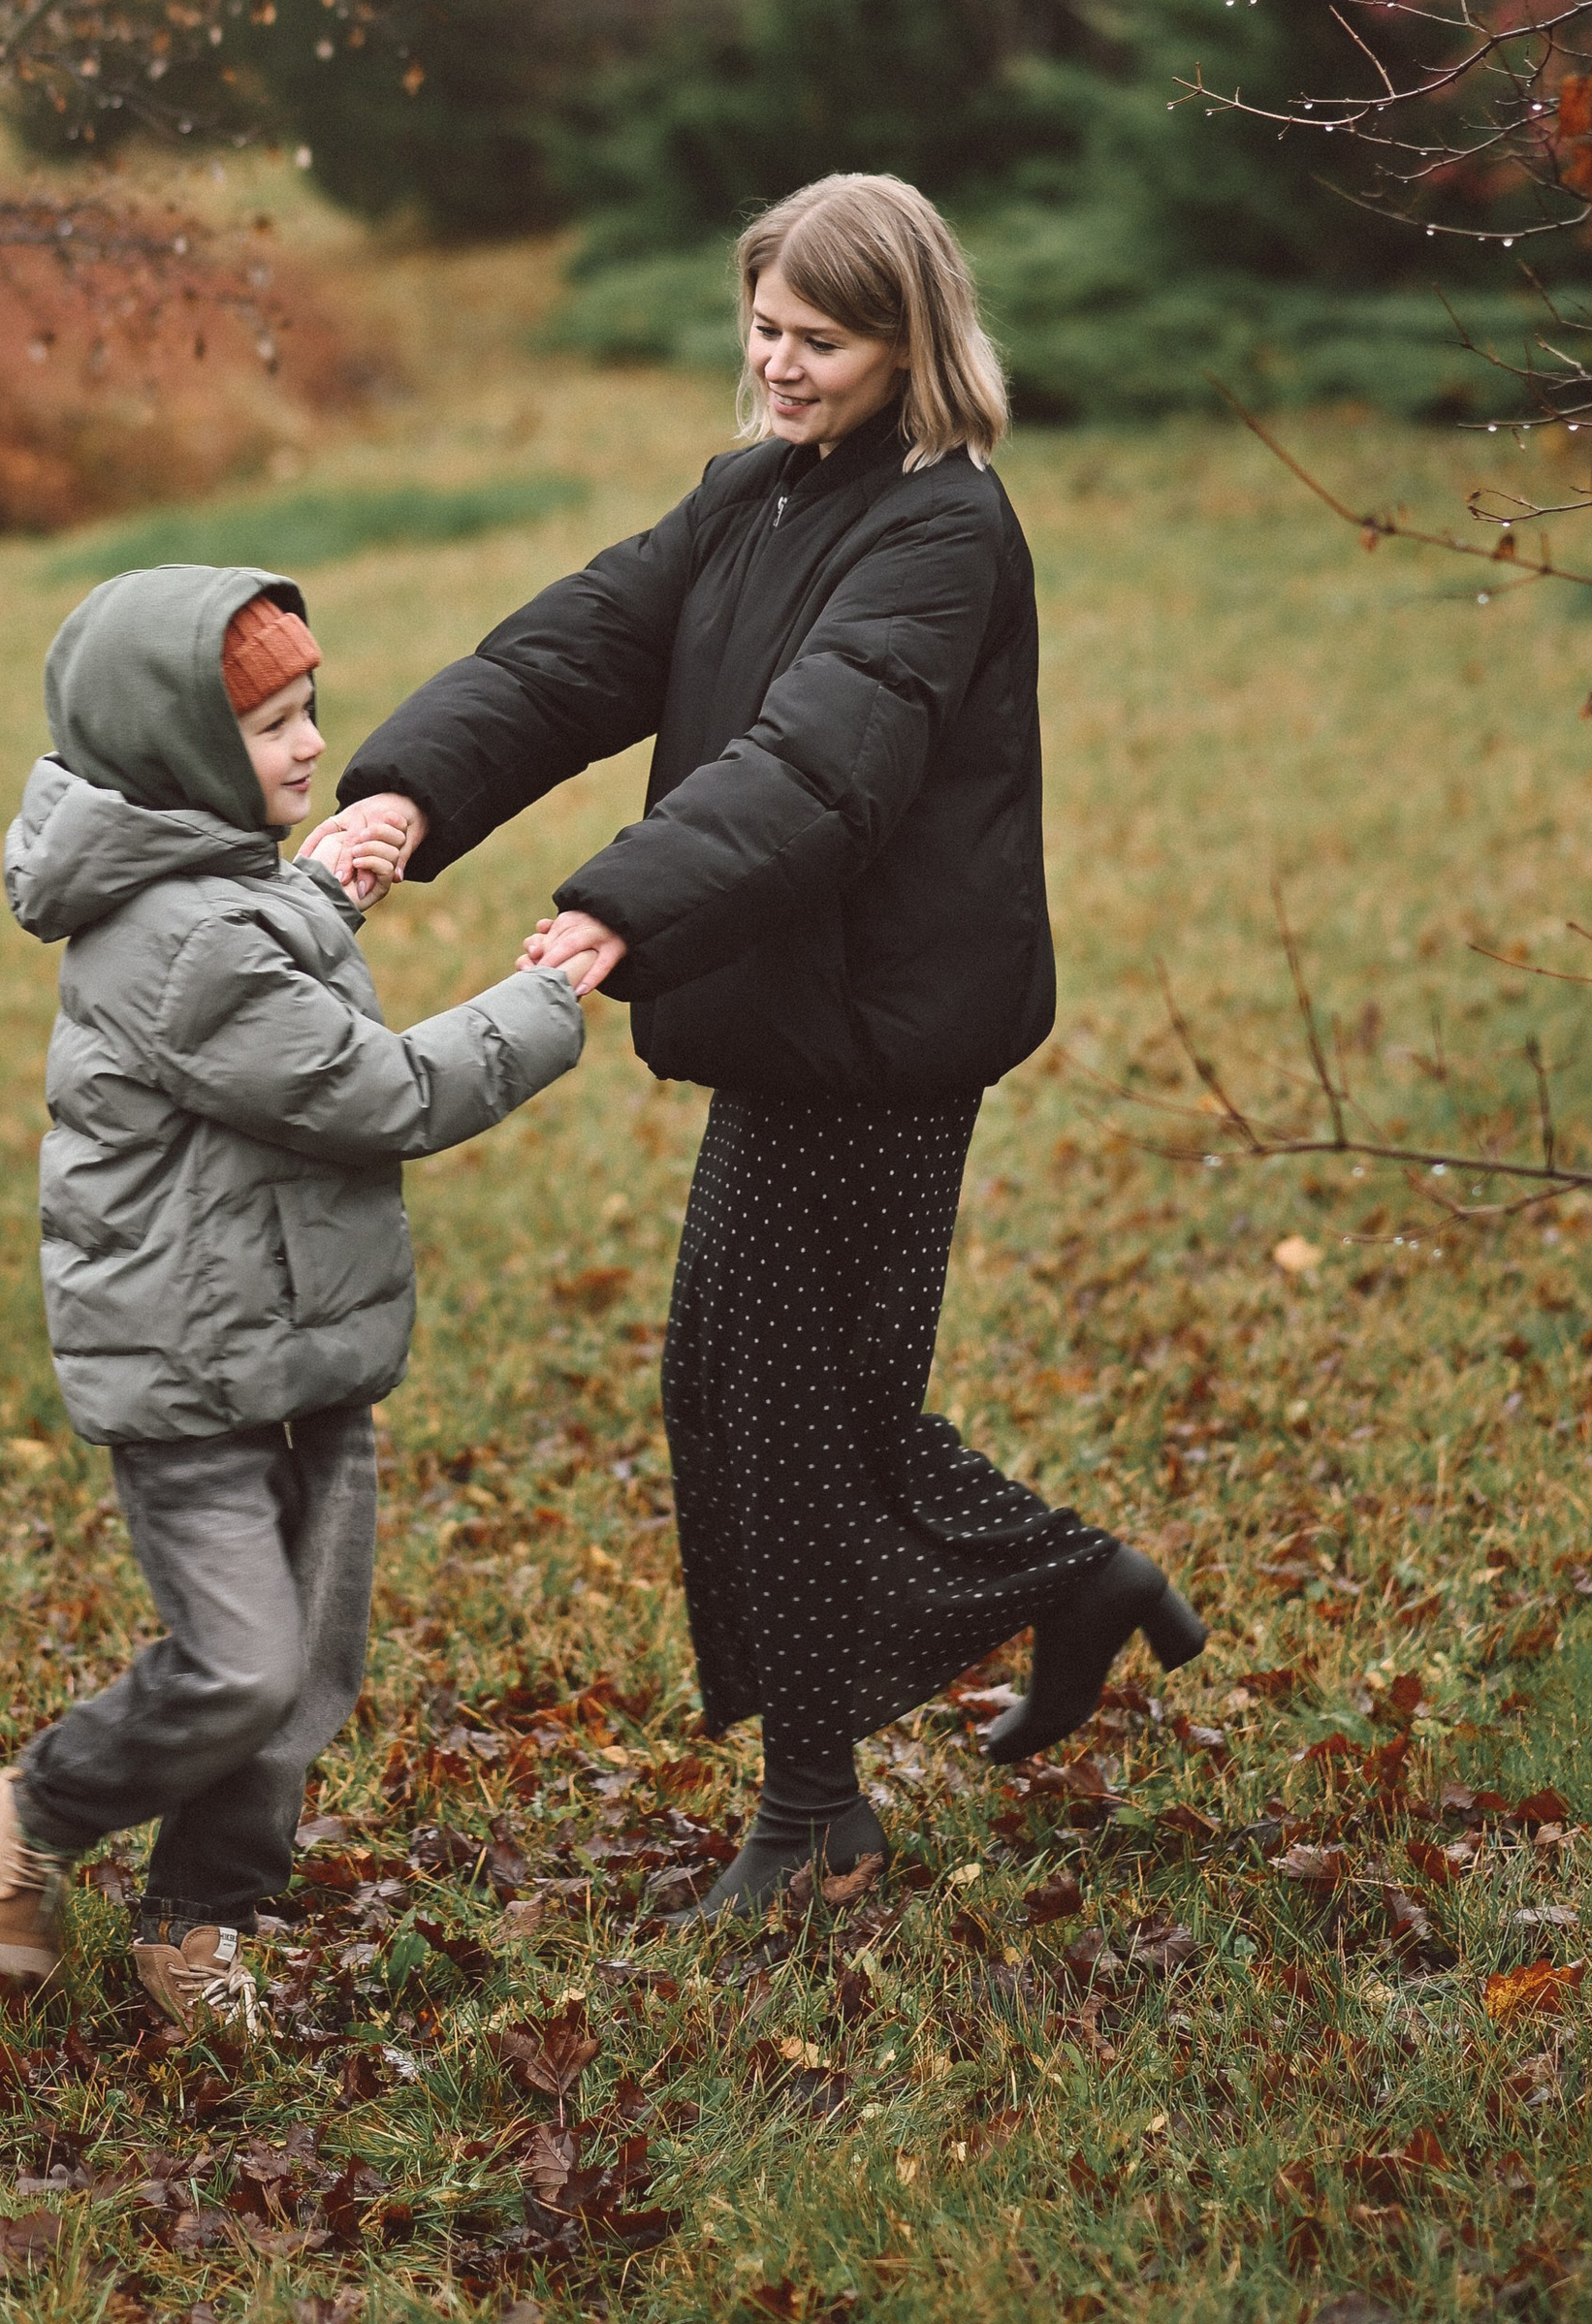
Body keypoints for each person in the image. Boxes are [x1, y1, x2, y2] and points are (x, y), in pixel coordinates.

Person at [319, 172, 1204, 1919]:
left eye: (821, 339)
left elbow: (827, 758)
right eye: (767, 326)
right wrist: (406, 798)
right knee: (756, 1394)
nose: (778, 364)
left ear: (909, 345)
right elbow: (573, 654)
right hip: (790, 1014)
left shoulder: (945, 531)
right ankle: (1073, 1585)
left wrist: (625, 906)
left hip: (883, 1033)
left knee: (787, 1409)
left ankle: (822, 1809)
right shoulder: (752, 496)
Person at [0, 563, 586, 2035]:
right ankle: (32, 1812)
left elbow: (248, 952)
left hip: (299, 1351)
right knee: (241, 1668)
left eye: (312, 711)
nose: (309, 747)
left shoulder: (211, 888)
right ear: (176, 752)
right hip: (195, 1375)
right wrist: (542, 1003)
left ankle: (195, 1927)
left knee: (304, 1680)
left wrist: (322, 884)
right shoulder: (186, 944)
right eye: (271, 727)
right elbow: (378, 1090)